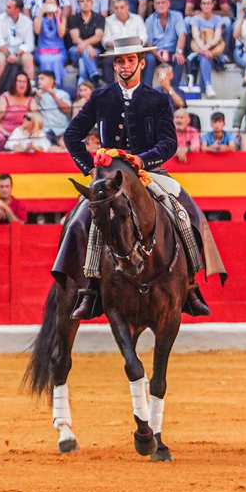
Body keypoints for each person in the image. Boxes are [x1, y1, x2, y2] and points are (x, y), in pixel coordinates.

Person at [57, 28, 222, 320]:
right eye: (119, 62)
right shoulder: (100, 97)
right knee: (81, 222)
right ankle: (89, 290)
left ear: (141, 63)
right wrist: (90, 168)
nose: (124, 66)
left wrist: (142, 160)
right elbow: (72, 135)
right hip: (109, 179)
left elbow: (169, 143)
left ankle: (191, 286)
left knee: (187, 214)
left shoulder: (157, 99)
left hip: (149, 173)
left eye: (130, 60)